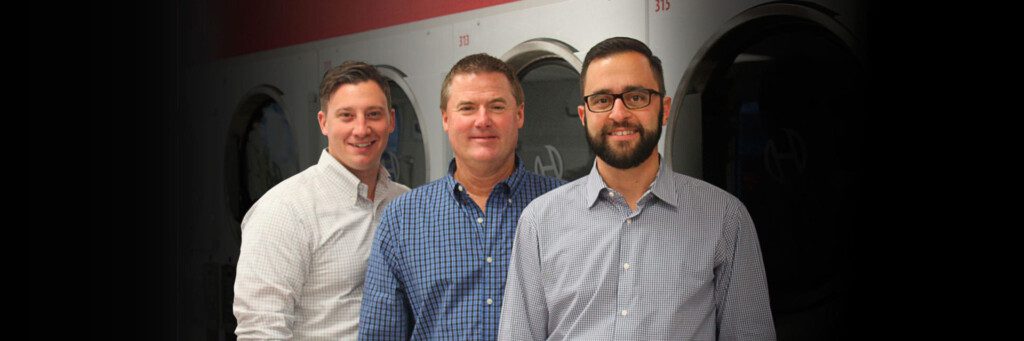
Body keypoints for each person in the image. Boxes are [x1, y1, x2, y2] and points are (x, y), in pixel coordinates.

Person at [498, 37, 776, 340]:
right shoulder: (540, 221)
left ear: (665, 109)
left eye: (636, 96)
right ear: (583, 116)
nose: (619, 114)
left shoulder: (724, 217)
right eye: (602, 100)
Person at [358, 53, 565, 340]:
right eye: (467, 108)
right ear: (446, 118)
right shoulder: (402, 218)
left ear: (519, 115)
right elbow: (380, 335)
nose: (483, 120)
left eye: (496, 106)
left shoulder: (565, 207)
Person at [233, 61, 410, 340]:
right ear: (323, 122)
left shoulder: (406, 203)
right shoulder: (284, 210)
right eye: (346, 116)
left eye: (373, 114)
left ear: (391, 120)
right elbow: (261, 330)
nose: (361, 129)